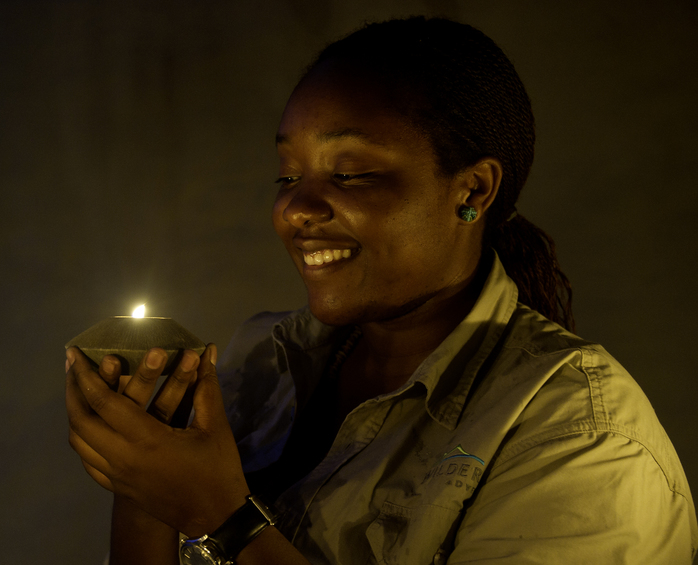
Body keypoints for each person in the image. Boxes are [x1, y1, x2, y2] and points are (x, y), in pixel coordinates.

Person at [65, 16, 698, 564]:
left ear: (473, 190)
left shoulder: (582, 437)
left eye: (351, 173)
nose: (297, 209)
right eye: (287, 174)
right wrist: (143, 483)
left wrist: (222, 516)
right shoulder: (264, 361)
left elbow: (213, 514)